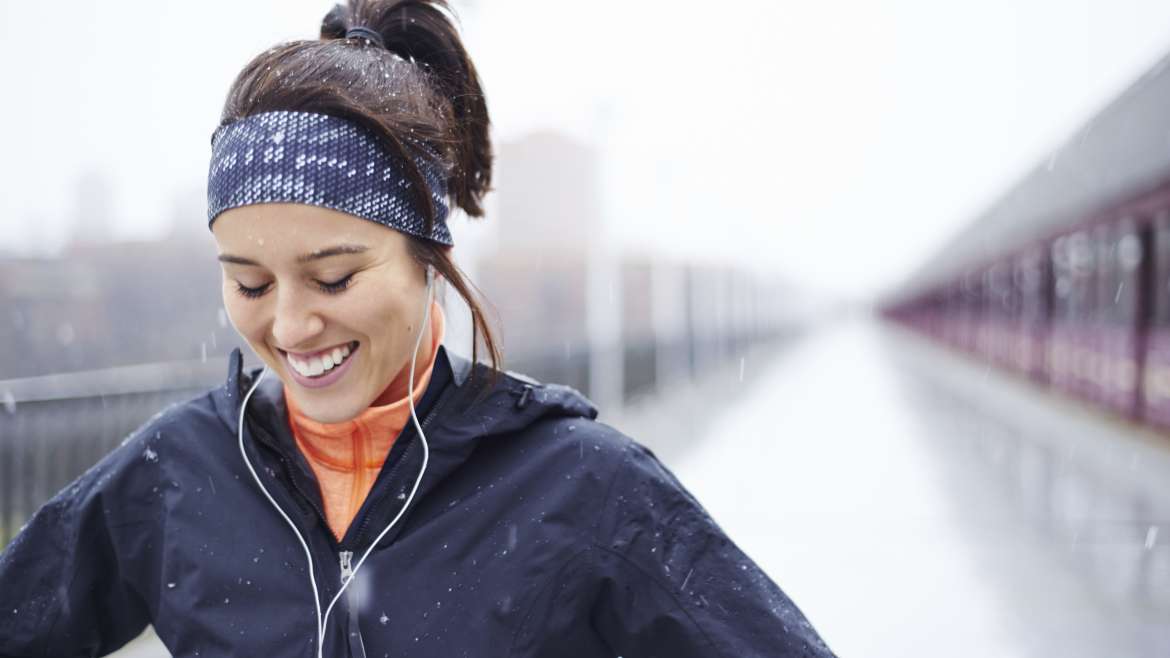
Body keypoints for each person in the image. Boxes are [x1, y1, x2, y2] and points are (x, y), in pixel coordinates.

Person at [0, 1, 837, 656]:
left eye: (333, 277)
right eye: (248, 282)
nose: (290, 324)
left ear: (427, 259)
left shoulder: (582, 488)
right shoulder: (172, 475)